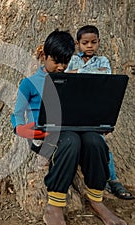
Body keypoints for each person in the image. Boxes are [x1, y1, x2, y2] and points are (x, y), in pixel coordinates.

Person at [11, 29, 127, 225]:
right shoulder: (29, 83)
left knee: (95, 141)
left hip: (74, 129)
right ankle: (54, 206)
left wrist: (100, 123)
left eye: (64, 62)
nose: (60, 67)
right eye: (55, 61)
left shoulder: (74, 78)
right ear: (43, 56)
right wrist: (21, 129)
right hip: (44, 135)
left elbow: (86, 107)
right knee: (71, 141)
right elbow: (16, 114)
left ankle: (96, 200)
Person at [65, 25, 134, 200]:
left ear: (98, 43)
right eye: (85, 42)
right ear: (78, 44)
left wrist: (80, 73)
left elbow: (106, 76)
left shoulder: (103, 61)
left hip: (95, 110)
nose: (89, 46)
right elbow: (67, 77)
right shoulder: (73, 60)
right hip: (75, 110)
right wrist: (85, 73)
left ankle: (113, 179)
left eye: (93, 42)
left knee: (101, 144)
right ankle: (97, 181)